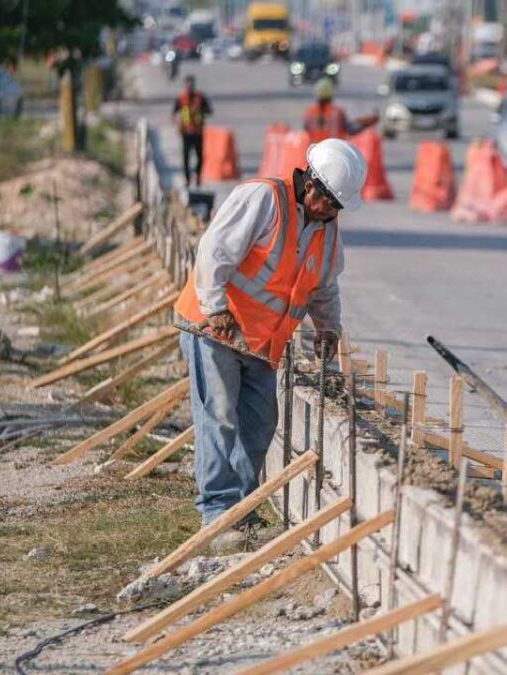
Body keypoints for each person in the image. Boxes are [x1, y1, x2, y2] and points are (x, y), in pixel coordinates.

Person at [173, 139, 368, 547]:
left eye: (337, 207)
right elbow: (214, 252)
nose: (330, 212)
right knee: (220, 416)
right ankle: (216, 513)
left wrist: (328, 328)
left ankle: (240, 510)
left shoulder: (327, 233)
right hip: (216, 328)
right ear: (309, 183)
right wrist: (215, 308)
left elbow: (324, 286)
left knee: (260, 423)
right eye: (327, 202)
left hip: (261, 344)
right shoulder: (264, 199)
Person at [303, 78, 379, 142]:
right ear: (331, 94)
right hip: (335, 152)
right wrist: (365, 124)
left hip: (315, 153)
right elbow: (351, 129)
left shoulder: (310, 113)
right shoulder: (337, 113)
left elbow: (306, 132)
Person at [173, 75, 212, 187]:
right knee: (186, 158)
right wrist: (177, 126)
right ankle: (187, 179)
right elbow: (174, 113)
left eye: (191, 84)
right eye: (187, 84)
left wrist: (202, 112)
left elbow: (209, 111)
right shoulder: (181, 98)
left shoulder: (200, 98)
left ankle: (198, 176)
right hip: (185, 133)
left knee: (200, 157)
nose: (189, 87)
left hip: (198, 132)